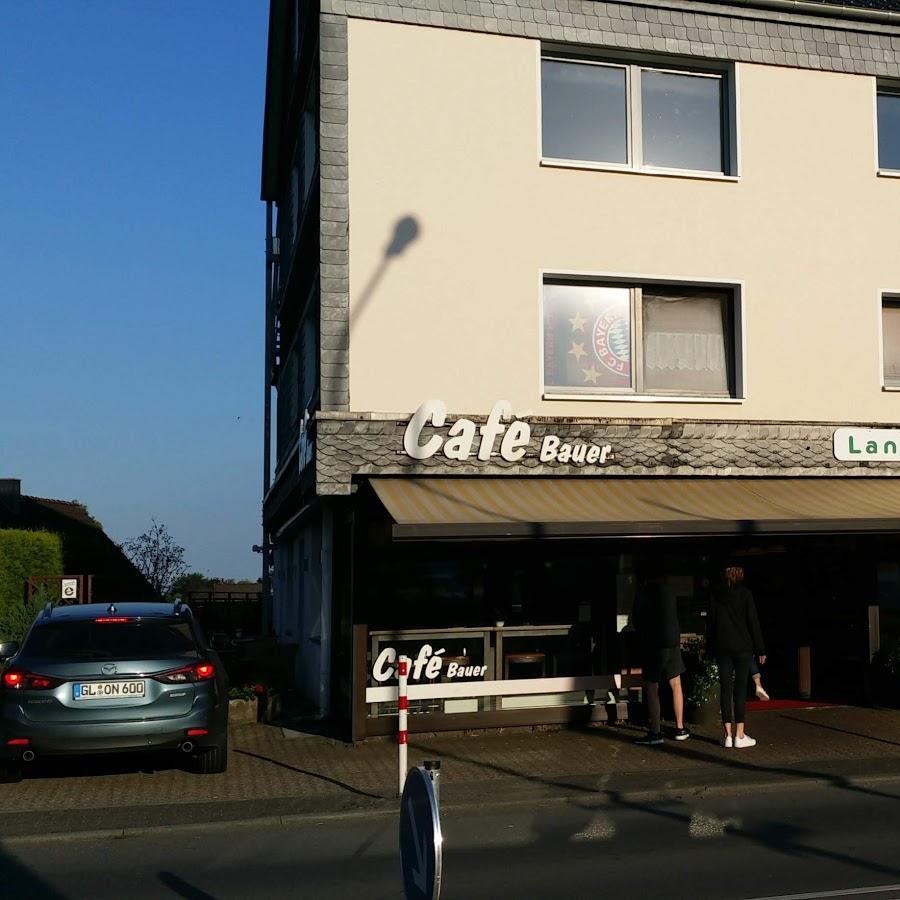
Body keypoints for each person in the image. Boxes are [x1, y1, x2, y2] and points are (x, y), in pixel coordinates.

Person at [708, 564, 766, 748]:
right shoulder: (746, 594)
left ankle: (727, 734)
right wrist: (760, 649)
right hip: (742, 646)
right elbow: (753, 622)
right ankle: (740, 735)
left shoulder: (716, 595)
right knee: (740, 690)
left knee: (726, 689)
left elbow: (711, 624)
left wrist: (709, 649)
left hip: (722, 646)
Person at [633, 574, 689, 745]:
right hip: (672, 642)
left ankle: (656, 732)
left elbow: (636, 620)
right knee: (676, 683)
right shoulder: (669, 591)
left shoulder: (642, 593)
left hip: (653, 645)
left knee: (652, 686)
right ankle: (680, 728)